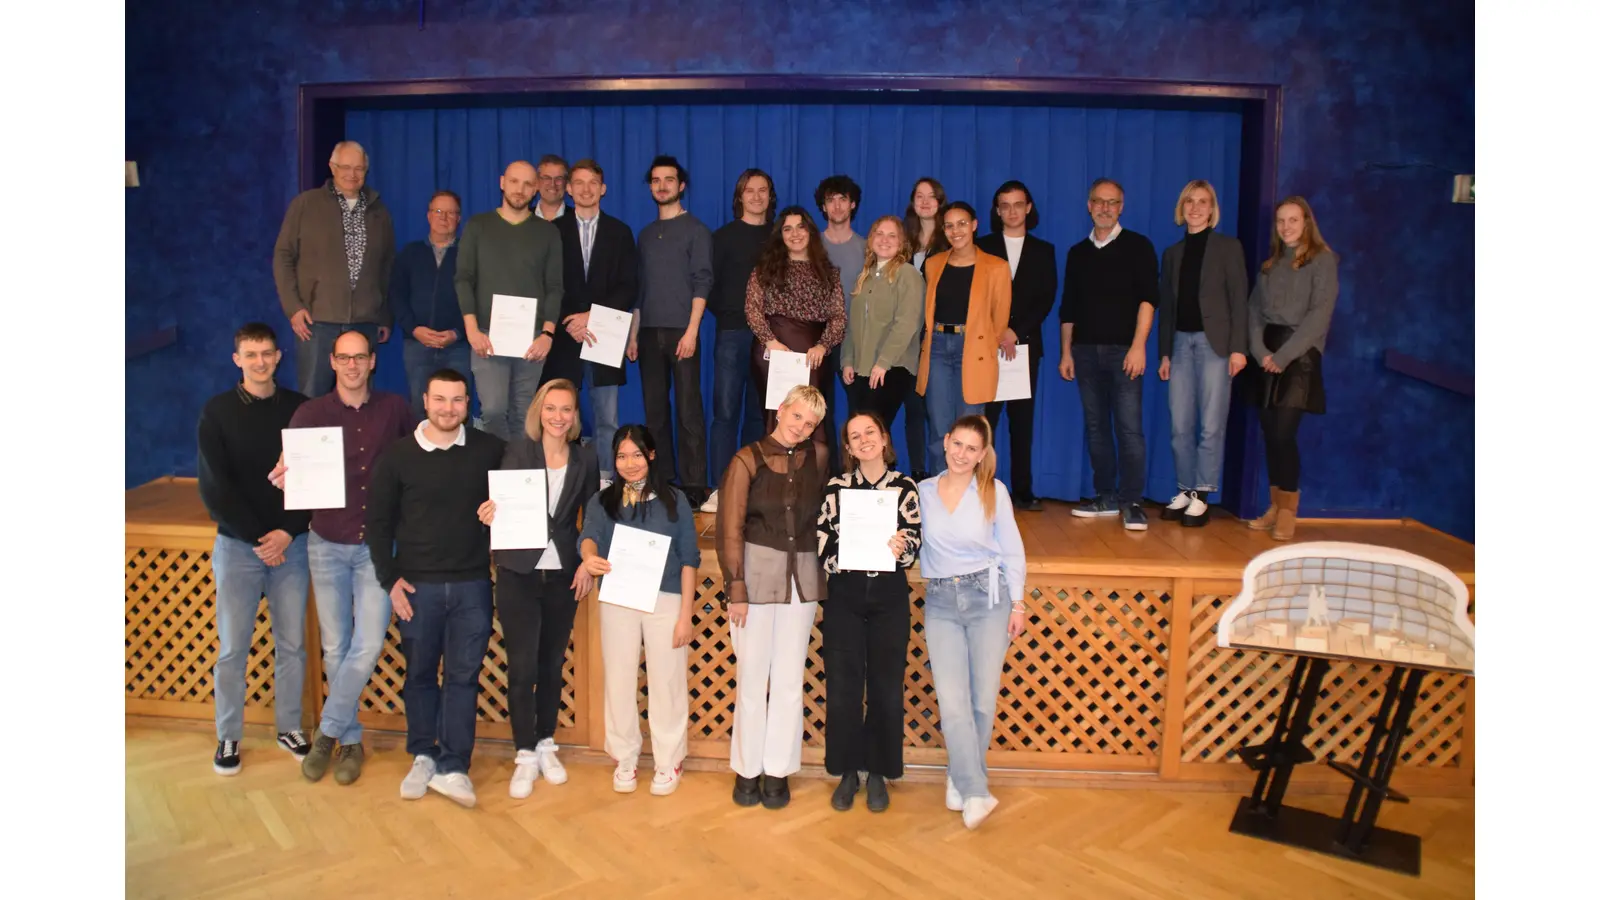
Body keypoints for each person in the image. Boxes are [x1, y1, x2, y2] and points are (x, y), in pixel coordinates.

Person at [268, 330, 411, 786]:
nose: (352, 365)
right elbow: (291, 469)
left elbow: (417, 465)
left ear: (372, 362)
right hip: (325, 544)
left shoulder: (396, 410)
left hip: (376, 548)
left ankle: (326, 731)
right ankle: (350, 740)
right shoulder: (309, 415)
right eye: (344, 357)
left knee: (367, 644)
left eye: (360, 357)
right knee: (335, 647)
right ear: (332, 361)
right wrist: (285, 478)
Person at [364, 368, 505, 808]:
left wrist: (500, 510)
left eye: (458, 400)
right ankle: (422, 755)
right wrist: (390, 580)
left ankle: (454, 766)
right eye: (440, 399)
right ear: (424, 400)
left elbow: (522, 498)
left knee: (463, 678)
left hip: (472, 585)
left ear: (469, 404)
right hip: (417, 587)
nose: (449, 408)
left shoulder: (492, 450)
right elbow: (378, 523)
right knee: (421, 675)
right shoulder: (397, 456)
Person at [196, 322, 312, 775]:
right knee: (232, 649)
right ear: (237, 360)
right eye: (251, 354)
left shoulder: (302, 410)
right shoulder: (217, 412)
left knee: (292, 645)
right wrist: (259, 538)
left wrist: (286, 531)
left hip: (292, 545)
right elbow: (214, 488)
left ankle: (289, 727)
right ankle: (228, 736)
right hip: (239, 548)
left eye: (267, 353)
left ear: (279, 356)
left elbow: (316, 482)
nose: (260, 362)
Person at [476, 379, 600, 798]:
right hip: (518, 572)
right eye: (551, 408)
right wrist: (489, 512)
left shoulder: (585, 458)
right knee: (522, 666)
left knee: (551, 665)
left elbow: (593, 516)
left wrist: (586, 561)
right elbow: (492, 500)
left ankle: (546, 741)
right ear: (538, 411)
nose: (559, 417)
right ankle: (524, 752)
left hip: (563, 575)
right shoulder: (515, 451)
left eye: (567, 409)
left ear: (575, 416)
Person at [716, 385, 830, 810]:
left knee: (787, 681)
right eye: (797, 416)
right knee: (751, 678)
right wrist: (736, 588)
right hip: (755, 584)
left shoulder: (817, 457)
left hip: (802, 582)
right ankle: (747, 769)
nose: (802, 427)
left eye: (811, 423)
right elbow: (731, 527)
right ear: (781, 410)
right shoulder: (746, 459)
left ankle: (778, 770)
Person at [916, 415, 1027, 830]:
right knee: (952, 700)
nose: (962, 454)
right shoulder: (923, 491)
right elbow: (907, 537)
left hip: (989, 598)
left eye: (971, 449)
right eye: (956, 444)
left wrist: (1018, 604)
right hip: (942, 600)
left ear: (983, 455)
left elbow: (1012, 550)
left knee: (982, 700)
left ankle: (959, 779)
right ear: (945, 442)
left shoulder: (993, 491)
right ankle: (975, 789)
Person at [578, 425, 701, 796]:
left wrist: (685, 615)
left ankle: (669, 759)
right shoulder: (602, 501)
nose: (629, 463)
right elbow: (590, 536)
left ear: (650, 455)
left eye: (636, 454)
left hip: (665, 600)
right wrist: (588, 558)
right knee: (618, 678)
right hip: (619, 599)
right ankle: (625, 756)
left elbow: (689, 558)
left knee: (667, 681)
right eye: (621, 456)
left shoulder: (674, 500)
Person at [816, 410, 921, 812]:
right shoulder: (836, 487)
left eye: (870, 432)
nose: (864, 440)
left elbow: (914, 542)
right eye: (855, 436)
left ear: (884, 437)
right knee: (842, 688)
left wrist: (901, 548)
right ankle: (846, 770)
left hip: (889, 598)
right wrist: (843, 553)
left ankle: (878, 771)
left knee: (884, 687)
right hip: (845, 596)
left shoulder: (905, 486)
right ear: (847, 447)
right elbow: (822, 539)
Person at [1057, 178, 1159, 531]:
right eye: (1099, 202)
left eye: (1112, 202)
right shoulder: (1077, 253)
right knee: (1097, 428)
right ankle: (1106, 496)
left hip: (1123, 353)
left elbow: (1149, 300)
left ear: (1121, 207)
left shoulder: (1138, 247)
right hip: (1084, 353)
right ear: (1089, 205)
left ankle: (1132, 500)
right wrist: (1065, 353)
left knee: (1129, 429)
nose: (1105, 208)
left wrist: (1138, 345)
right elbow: (1067, 308)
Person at [1156, 180, 1249, 527]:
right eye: (1190, 201)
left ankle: (1203, 493)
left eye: (1203, 202)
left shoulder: (1228, 248)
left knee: (1211, 423)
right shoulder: (1172, 254)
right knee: (1180, 424)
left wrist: (1239, 348)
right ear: (1182, 208)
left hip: (1216, 345)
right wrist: (1164, 353)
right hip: (1180, 342)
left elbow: (1240, 301)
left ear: (1212, 209)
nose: (1195, 207)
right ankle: (1185, 487)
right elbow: (1167, 309)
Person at [1246, 196, 1338, 542]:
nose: (1286, 227)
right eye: (1281, 221)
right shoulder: (1270, 264)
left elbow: (1318, 317)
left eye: (1293, 220)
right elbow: (1253, 311)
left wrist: (1282, 357)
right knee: (1270, 434)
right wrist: (1259, 351)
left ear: (1306, 223)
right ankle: (1274, 505)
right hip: (1265, 354)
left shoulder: (1322, 262)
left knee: (1285, 433)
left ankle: (1288, 510)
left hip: (1298, 356)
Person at [273, 140, 395, 398]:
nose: (352, 174)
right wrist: (293, 307)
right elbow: (283, 256)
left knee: (360, 399)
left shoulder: (379, 212)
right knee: (312, 396)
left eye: (359, 169)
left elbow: (386, 268)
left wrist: (384, 315)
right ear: (332, 167)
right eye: (345, 167)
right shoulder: (305, 205)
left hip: (365, 322)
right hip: (317, 322)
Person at [542, 159, 638, 486]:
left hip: (605, 333)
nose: (585, 189)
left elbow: (629, 285)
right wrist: (572, 319)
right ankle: (562, 479)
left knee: (607, 417)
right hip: (564, 336)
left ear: (603, 189)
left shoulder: (620, 232)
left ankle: (606, 480)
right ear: (568, 189)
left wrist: (592, 317)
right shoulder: (553, 231)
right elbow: (547, 284)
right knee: (560, 414)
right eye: (578, 183)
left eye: (592, 183)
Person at [456, 160, 565, 441]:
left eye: (528, 184)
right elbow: (464, 278)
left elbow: (555, 287)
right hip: (487, 336)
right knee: (492, 410)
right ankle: (499, 473)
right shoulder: (478, 225)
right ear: (502, 182)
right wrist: (471, 330)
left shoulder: (548, 232)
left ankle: (518, 476)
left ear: (536, 189)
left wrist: (548, 334)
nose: (520, 189)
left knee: (523, 413)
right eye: (515, 181)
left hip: (532, 340)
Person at [629, 155, 713, 506]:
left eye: (669, 179)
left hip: (682, 330)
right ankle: (661, 481)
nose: (662, 185)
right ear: (650, 187)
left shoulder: (696, 230)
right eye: (656, 180)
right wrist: (633, 334)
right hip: (648, 332)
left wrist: (692, 331)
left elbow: (702, 281)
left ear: (681, 186)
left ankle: (693, 486)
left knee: (689, 411)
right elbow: (639, 290)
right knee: (655, 414)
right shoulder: (645, 235)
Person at [977, 180, 1058, 512]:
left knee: (1023, 421)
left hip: (1024, 348)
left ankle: (1023, 490)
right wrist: (998, 332)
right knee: (985, 421)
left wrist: (1015, 331)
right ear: (997, 211)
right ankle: (981, 486)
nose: (1011, 211)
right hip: (987, 347)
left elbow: (1045, 300)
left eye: (1017, 204)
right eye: (1004, 205)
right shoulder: (981, 247)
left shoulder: (1044, 250)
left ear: (1028, 208)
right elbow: (977, 298)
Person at [745, 206, 846, 466]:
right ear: (780, 235)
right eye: (787, 229)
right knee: (777, 416)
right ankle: (774, 480)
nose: (795, 234)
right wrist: (771, 342)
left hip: (813, 356)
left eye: (800, 227)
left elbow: (838, 317)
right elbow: (752, 309)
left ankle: (813, 481)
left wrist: (823, 345)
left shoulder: (829, 273)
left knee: (812, 415)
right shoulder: (763, 270)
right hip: (772, 353)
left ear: (810, 231)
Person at [915, 202, 1011, 475]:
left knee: (969, 431)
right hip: (937, 349)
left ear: (974, 225)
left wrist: (979, 344)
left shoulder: (996, 267)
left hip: (973, 351)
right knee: (939, 429)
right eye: (949, 225)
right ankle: (937, 494)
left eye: (962, 223)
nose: (956, 230)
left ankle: (969, 496)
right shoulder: (933, 264)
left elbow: (999, 320)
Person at [704, 168, 776, 515]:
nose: (757, 197)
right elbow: (709, 288)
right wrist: (733, 314)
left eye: (763, 191)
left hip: (771, 339)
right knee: (725, 413)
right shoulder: (723, 238)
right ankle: (721, 487)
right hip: (732, 333)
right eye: (750, 191)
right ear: (740, 197)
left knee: (759, 416)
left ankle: (750, 487)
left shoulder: (780, 236)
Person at [391, 189, 471, 420]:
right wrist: (414, 329)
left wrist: (458, 332)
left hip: (458, 346)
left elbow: (479, 300)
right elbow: (396, 295)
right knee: (420, 407)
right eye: (438, 211)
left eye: (450, 212)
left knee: (456, 410)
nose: (444, 217)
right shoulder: (409, 254)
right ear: (428, 216)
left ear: (459, 218)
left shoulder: (469, 255)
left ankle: (458, 456)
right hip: (417, 345)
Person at [841, 215, 925, 427]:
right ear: (871, 239)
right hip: (862, 368)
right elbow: (853, 325)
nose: (885, 240)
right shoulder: (865, 275)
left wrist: (883, 362)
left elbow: (907, 324)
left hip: (891, 368)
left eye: (892, 236)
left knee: (873, 432)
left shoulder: (908, 275)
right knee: (860, 434)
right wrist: (847, 360)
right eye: (880, 234)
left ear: (901, 243)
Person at [900, 178, 950, 480]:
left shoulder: (951, 241)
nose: (926, 201)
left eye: (932, 196)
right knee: (913, 409)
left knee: (939, 410)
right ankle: (918, 472)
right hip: (907, 337)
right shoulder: (902, 241)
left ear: (940, 202)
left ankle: (941, 474)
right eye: (919, 196)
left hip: (939, 336)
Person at [815, 175, 867, 310]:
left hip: (856, 330)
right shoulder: (811, 246)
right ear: (824, 206)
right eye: (831, 200)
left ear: (853, 204)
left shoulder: (866, 248)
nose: (837, 206)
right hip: (818, 329)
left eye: (843, 199)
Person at [533, 154, 570, 222]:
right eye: (547, 178)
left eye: (559, 179)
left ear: (566, 184)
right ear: (537, 183)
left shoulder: (577, 220)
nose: (553, 184)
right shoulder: (523, 218)